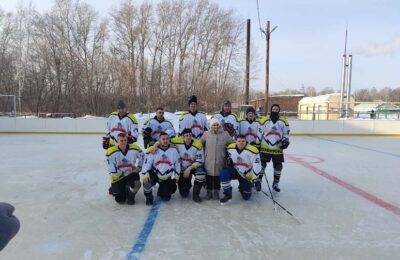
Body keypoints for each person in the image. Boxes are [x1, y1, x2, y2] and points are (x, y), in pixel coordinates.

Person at [219, 135, 262, 204]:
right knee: (223, 174)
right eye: (239, 141)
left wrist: (254, 177)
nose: (241, 143)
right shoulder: (230, 148)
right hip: (235, 170)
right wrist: (229, 161)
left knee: (246, 197)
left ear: (246, 141)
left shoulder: (252, 150)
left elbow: (257, 165)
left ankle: (245, 187)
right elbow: (229, 157)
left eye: (243, 141)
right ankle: (228, 194)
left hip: (246, 173)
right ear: (236, 141)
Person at [257, 104, 290, 192]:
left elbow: (286, 133)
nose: (275, 110)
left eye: (276, 109)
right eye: (273, 109)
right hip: (265, 147)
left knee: (278, 166)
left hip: (277, 148)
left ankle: (275, 183)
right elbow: (259, 133)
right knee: (262, 165)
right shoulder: (265, 120)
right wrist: (257, 144)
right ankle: (258, 181)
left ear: (279, 110)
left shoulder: (284, 121)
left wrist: (285, 141)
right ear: (271, 110)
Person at [142, 132, 180, 205]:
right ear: (159, 140)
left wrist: (176, 177)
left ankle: (161, 189)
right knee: (146, 183)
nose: (165, 141)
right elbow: (147, 163)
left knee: (168, 195)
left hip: (166, 177)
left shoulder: (174, 150)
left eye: (167, 139)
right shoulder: (153, 149)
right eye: (163, 139)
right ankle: (149, 197)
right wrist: (145, 174)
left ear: (169, 139)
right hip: (154, 174)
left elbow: (177, 164)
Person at [200, 118, 233, 200]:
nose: (216, 126)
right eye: (214, 125)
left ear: (220, 125)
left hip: (220, 159)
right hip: (209, 159)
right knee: (209, 176)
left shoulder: (225, 134)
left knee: (218, 176)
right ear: (211, 126)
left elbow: (233, 143)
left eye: (217, 124)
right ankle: (209, 191)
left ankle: (216, 191)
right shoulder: (206, 134)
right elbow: (199, 143)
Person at [106, 133, 144, 204]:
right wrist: (123, 173)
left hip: (131, 173)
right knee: (120, 200)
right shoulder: (110, 151)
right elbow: (111, 168)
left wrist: (139, 167)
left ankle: (131, 195)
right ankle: (115, 189)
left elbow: (143, 157)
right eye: (121, 140)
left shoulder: (134, 148)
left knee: (137, 183)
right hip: (118, 177)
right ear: (117, 141)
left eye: (125, 140)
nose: (123, 142)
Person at [170, 129, 206, 202]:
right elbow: (164, 140)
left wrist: (190, 168)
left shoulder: (197, 144)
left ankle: (196, 195)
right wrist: (155, 145)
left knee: (201, 174)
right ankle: (187, 182)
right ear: (183, 137)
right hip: (182, 168)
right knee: (184, 194)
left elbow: (200, 161)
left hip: (193, 166)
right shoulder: (176, 141)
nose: (188, 137)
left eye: (190, 135)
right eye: (186, 135)